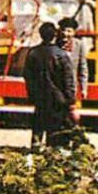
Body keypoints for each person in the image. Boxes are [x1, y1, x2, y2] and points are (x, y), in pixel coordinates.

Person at [23, 22, 78, 150]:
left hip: (40, 96)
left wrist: (31, 94)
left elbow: (27, 75)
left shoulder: (33, 52)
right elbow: (68, 80)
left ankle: (35, 148)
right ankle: (51, 152)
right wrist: (71, 100)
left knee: (38, 124)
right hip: (58, 98)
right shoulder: (61, 55)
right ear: (55, 35)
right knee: (55, 127)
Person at [68, 0, 97, 92]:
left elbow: (85, 26)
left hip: (85, 40)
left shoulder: (85, 8)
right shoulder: (85, 6)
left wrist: (72, 29)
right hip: (83, 38)